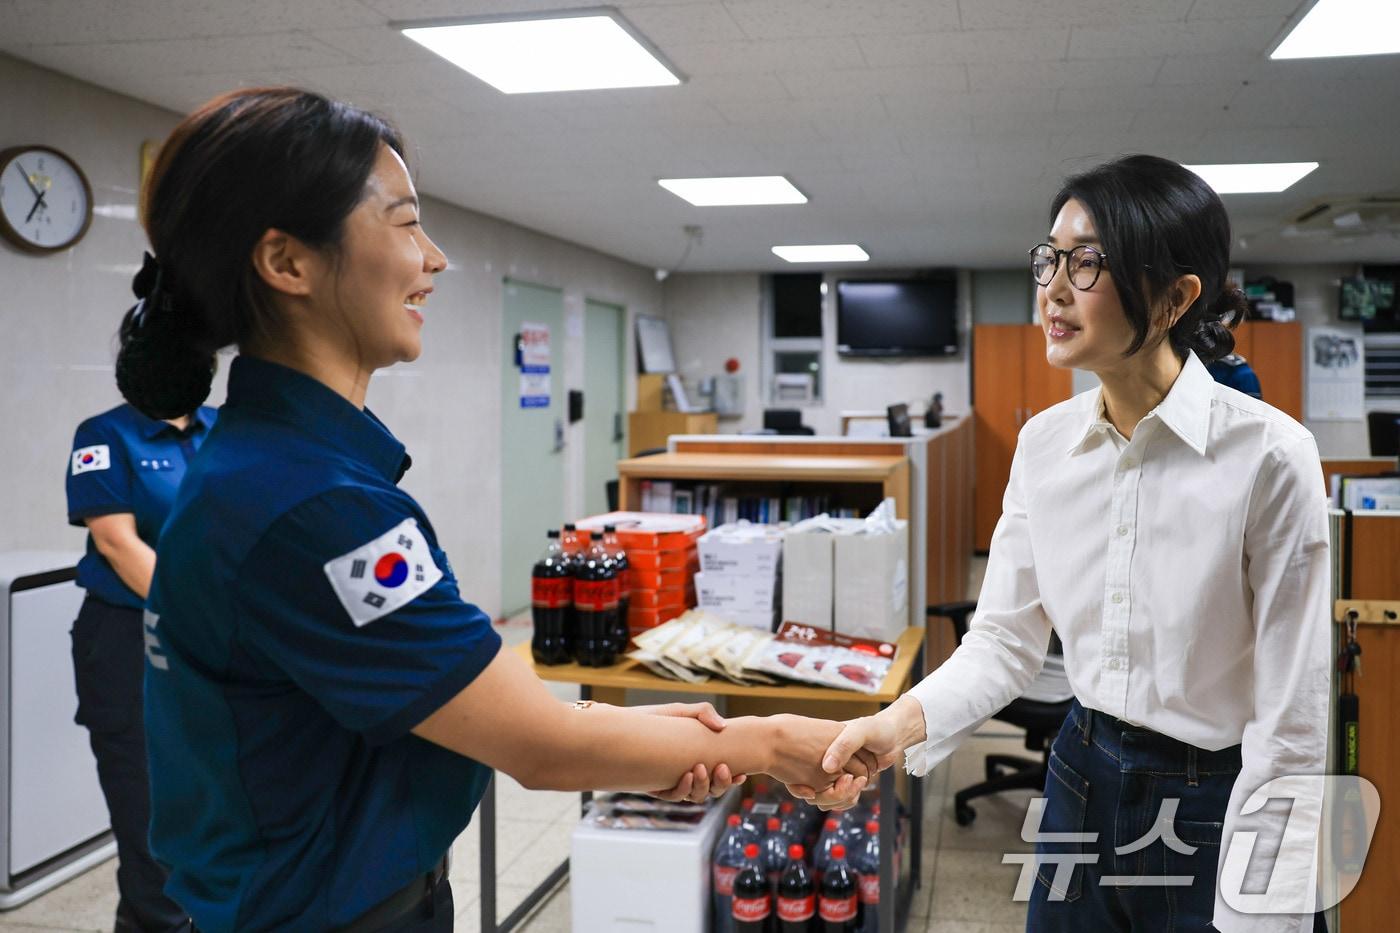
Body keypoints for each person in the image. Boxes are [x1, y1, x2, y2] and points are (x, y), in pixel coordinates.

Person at [118, 87, 872, 933]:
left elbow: (459, 701)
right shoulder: (311, 505)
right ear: (287, 262)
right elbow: (539, 752)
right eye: (405, 224)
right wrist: (765, 745)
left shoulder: (281, 468)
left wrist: (590, 723)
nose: (434, 259)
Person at [801, 155, 1330, 933]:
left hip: (1213, 799)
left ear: (1177, 295)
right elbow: (1006, 642)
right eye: (1051, 256)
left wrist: (1264, 913)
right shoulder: (1043, 445)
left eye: (1090, 262)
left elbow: (1293, 728)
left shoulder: (1271, 457)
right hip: (1082, 775)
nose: (1052, 286)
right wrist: (897, 724)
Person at [66, 348, 213, 931]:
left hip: (216, 640)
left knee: (212, 810)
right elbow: (117, 543)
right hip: (131, 639)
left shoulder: (226, 428)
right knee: (149, 818)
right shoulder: (105, 435)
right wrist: (202, 612)